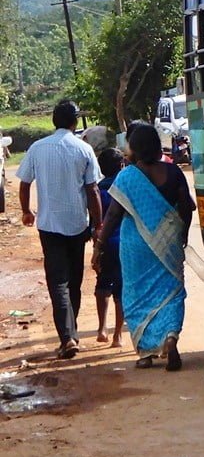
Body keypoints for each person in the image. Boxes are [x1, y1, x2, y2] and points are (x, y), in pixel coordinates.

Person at [97, 122, 194, 371]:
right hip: (168, 242)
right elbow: (186, 206)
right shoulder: (173, 173)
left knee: (137, 295)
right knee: (171, 292)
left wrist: (99, 244)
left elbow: (113, 216)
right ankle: (170, 337)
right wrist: (181, 233)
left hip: (135, 246)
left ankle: (144, 353)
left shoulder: (127, 176)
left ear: (134, 148)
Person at [17, 101, 103, 359]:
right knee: (74, 280)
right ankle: (70, 335)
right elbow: (93, 190)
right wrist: (98, 224)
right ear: (74, 122)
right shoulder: (84, 149)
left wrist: (26, 210)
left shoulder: (37, 148)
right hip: (77, 225)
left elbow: (24, 183)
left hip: (49, 225)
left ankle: (68, 337)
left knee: (58, 282)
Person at [90, 144, 125, 347]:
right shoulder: (125, 186)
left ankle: (102, 328)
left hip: (104, 244)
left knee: (102, 284)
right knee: (121, 289)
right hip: (124, 243)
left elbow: (94, 223)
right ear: (121, 165)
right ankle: (117, 335)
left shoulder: (98, 190)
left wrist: (96, 248)